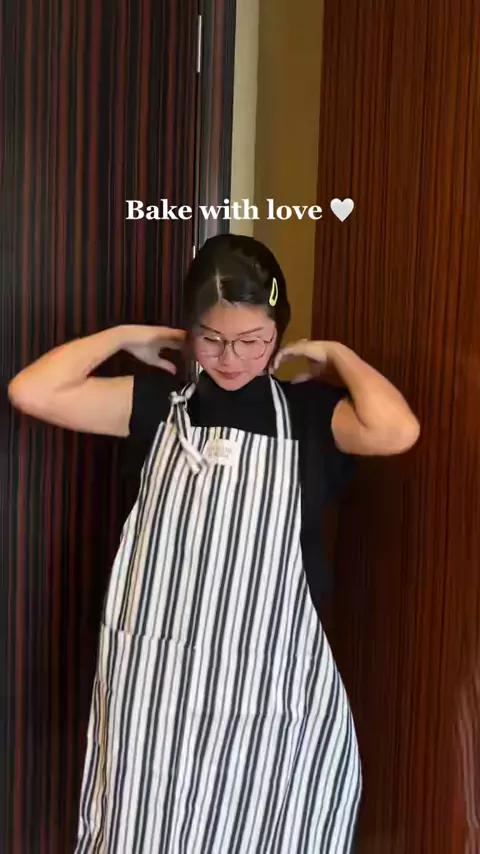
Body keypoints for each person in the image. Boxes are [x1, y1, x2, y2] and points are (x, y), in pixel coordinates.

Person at [8, 233, 420, 853]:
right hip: (158, 686)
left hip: (269, 687)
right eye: (212, 339)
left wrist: (339, 356)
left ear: (278, 333)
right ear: (188, 332)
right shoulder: (155, 405)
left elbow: (396, 430)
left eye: (254, 340)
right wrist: (122, 337)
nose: (231, 358)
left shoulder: (310, 415)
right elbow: (30, 391)